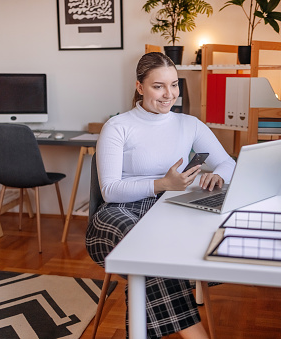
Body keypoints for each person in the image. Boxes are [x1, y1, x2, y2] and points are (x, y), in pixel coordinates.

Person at [86, 52, 236, 338]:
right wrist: (161, 183)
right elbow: (110, 190)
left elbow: (227, 162)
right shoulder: (117, 127)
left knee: (162, 255)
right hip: (118, 213)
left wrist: (219, 175)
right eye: (158, 86)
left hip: (170, 205)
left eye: (174, 84)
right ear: (140, 87)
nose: (169, 94)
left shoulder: (188, 124)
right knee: (147, 245)